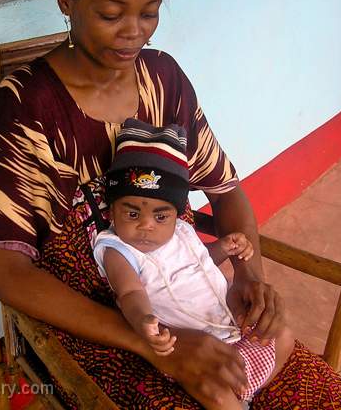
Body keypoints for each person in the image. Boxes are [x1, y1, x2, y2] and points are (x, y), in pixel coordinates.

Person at [0, 0, 341, 407]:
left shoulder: (163, 79)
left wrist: (248, 276)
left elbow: (225, 191)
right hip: (92, 322)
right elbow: (7, 270)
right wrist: (153, 342)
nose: (134, 32)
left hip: (193, 301)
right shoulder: (29, 106)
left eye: (149, 12)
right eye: (110, 14)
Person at [93, 119, 276, 408]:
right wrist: (143, 322)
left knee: (283, 334)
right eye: (131, 215)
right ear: (113, 211)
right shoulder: (117, 249)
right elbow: (129, 293)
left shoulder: (180, 231)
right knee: (213, 392)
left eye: (160, 216)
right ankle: (235, 401)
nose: (146, 226)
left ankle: (248, 387)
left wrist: (223, 249)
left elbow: (200, 261)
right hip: (188, 344)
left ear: (175, 214)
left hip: (226, 321)